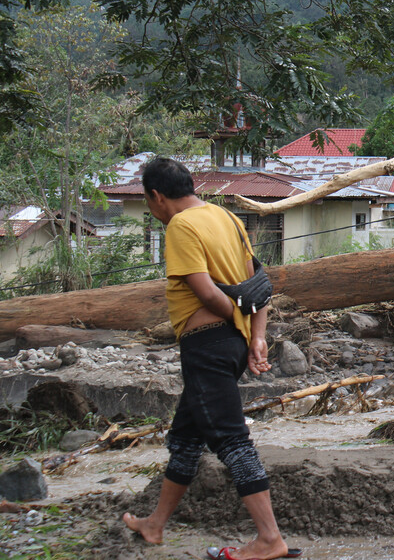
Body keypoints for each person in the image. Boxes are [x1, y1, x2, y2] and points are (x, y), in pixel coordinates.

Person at [123, 157, 290, 560]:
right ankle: (155, 525)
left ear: (157, 196)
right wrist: (256, 335)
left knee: (231, 438)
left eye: (149, 202)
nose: (152, 210)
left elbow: (206, 294)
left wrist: (236, 321)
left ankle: (269, 538)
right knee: (186, 438)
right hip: (231, 344)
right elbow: (259, 284)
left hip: (207, 345)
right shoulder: (225, 216)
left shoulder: (180, 226)